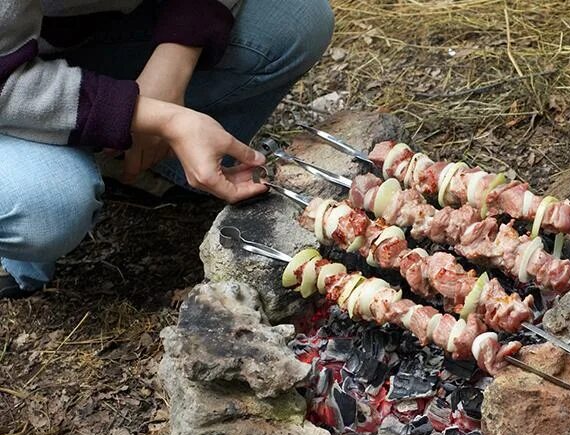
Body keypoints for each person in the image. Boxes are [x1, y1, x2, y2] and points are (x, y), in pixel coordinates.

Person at [0, 0, 334, 299]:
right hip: (8, 79)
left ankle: (127, 160)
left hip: (70, 36)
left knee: (297, 18)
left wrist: (174, 59)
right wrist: (154, 116)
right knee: (50, 207)